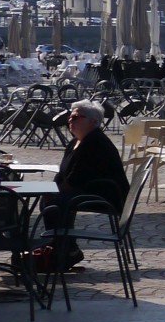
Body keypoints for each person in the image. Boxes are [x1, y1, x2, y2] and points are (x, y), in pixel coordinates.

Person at [41, 100, 132, 254]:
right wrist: (51, 188)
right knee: (51, 199)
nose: (70, 120)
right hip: (87, 191)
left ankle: (64, 249)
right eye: (70, 117)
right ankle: (63, 247)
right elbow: (63, 173)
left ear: (92, 122)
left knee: (54, 202)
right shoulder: (76, 141)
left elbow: (75, 179)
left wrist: (53, 191)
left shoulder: (94, 142)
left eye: (76, 117)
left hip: (106, 196)